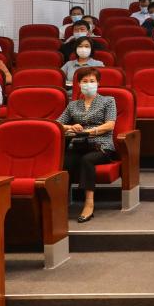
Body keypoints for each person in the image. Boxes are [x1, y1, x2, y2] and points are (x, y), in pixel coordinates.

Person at [56, 67, 118, 222]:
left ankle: (89, 203)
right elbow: (57, 124)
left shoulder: (108, 101)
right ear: (79, 84)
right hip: (77, 145)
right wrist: (71, 127)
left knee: (87, 160)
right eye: (85, 81)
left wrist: (90, 132)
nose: (88, 84)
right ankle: (60, 203)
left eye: (92, 81)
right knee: (64, 162)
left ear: (98, 83)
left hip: (100, 145)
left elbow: (110, 125)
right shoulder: (73, 105)